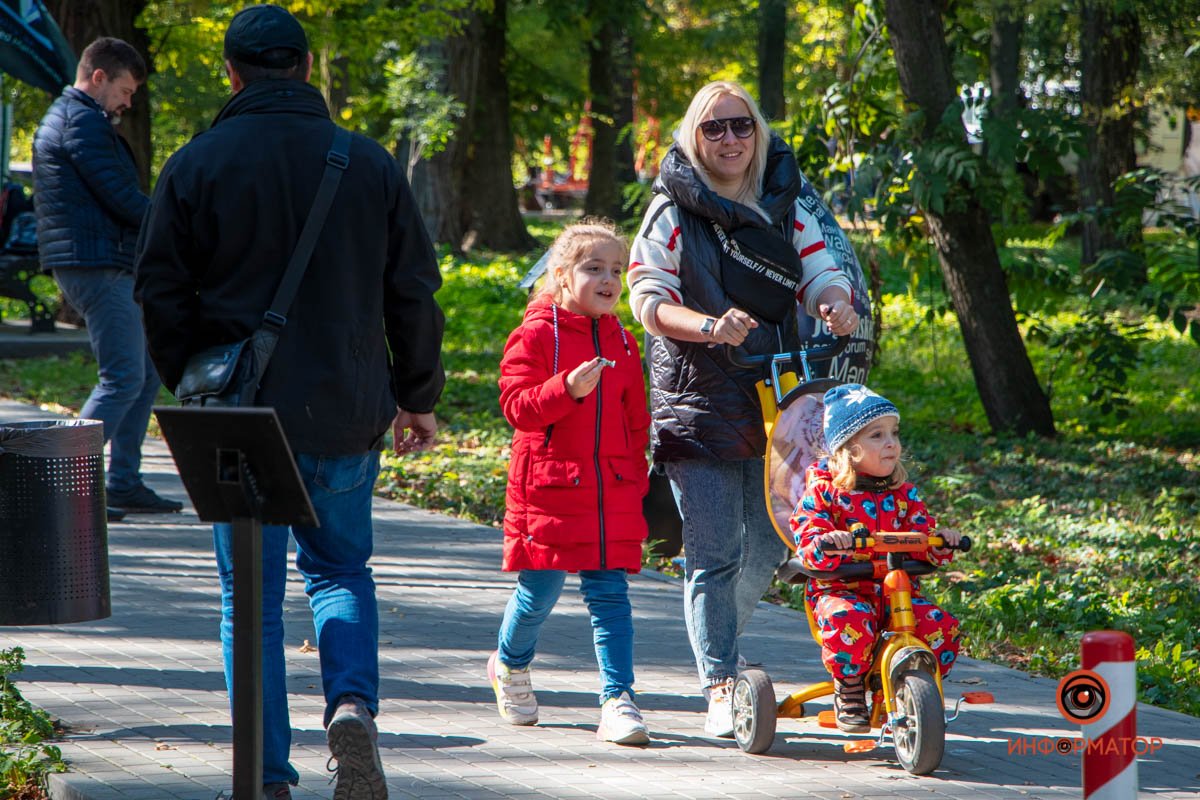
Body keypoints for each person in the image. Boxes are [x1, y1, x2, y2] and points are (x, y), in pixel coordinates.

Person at [134, 5, 445, 798]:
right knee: (340, 572)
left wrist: (193, 379)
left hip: (238, 419)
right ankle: (350, 707)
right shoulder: (367, 162)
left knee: (253, 602)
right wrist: (417, 395)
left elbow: (159, 292)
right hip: (345, 404)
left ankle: (264, 777)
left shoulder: (197, 163)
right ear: (306, 68)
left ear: (232, 74)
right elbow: (412, 291)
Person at [627, 80, 859, 737]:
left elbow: (820, 272)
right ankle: (722, 683)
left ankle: (718, 645)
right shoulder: (670, 209)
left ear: (757, 133)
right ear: (692, 137)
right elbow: (647, 297)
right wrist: (706, 326)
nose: (730, 139)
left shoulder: (786, 200)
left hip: (781, 399)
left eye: (741, 126)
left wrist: (832, 303)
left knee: (772, 536)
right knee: (713, 549)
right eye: (713, 129)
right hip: (696, 398)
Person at [488, 219, 652, 746]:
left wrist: (637, 478)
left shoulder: (625, 342)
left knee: (610, 594)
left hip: (611, 491)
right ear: (561, 276)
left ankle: (618, 698)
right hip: (552, 491)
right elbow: (517, 407)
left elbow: (636, 420)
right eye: (593, 268)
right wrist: (566, 388)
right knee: (539, 590)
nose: (608, 280)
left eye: (615, 270)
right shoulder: (536, 334)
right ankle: (509, 665)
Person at [32, 37, 180, 519]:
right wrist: (181, 223)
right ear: (99, 77)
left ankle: (122, 482)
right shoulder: (81, 122)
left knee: (146, 370)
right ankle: (65, 489)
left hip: (104, 260)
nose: (128, 101)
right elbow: (120, 197)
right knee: (122, 377)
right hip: (94, 264)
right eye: (125, 89)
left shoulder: (84, 120)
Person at [790, 383, 962, 732]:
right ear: (849, 448)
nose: (892, 443)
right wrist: (827, 541)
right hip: (843, 589)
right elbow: (807, 536)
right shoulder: (825, 490)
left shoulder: (903, 492)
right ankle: (850, 688)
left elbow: (921, 534)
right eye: (877, 435)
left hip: (894, 593)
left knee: (940, 626)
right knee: (848, 618)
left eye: (894, 434)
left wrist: (940, 543)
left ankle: (908, 689)